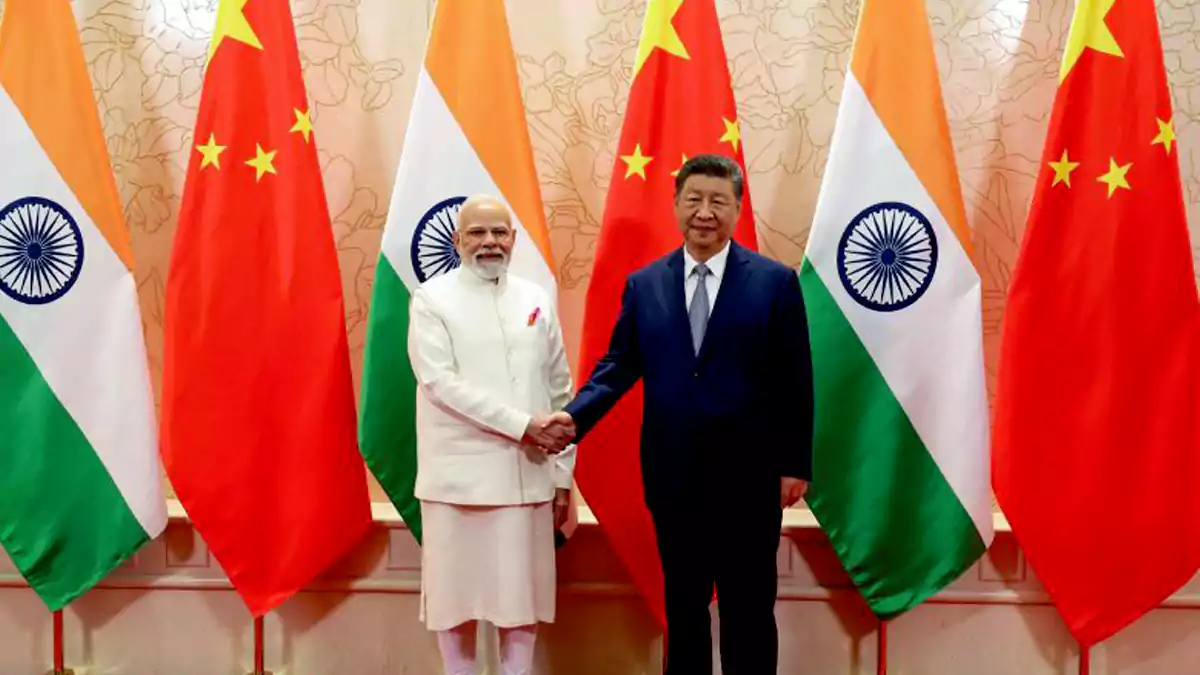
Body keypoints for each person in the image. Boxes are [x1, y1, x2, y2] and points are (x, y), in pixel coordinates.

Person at [561, 154, 814, 674]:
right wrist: (572, 419)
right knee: (685, 608)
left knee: (748, 611)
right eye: (694, 200)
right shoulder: (645, 284)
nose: (705, 212)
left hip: (751, 479)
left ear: (737, 208)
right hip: (674, 478)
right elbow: (618, 365)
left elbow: (796, 379)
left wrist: (795, 464)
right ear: (676, 206)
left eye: (718, 201)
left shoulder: (774, 282)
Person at [408, 194, 576, 675]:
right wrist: (523, 426)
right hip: (455, 486)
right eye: (477, 233)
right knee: (453, 609)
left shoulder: (535, 298)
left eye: (498, 232)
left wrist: (563, 476)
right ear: (458, 240)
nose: (489, 242)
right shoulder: (431, 299)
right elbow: (440, 383)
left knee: (520, 609)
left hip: (528, 483)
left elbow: (559, 390)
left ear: (513, 240)